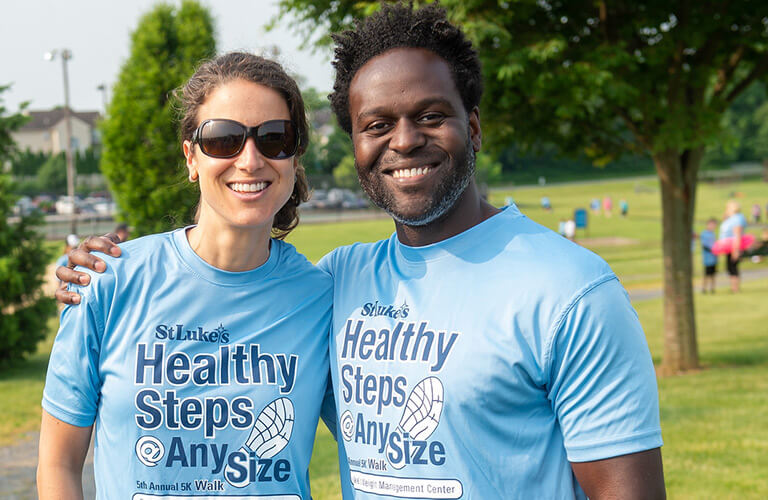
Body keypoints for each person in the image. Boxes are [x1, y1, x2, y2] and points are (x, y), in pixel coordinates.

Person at [56, 4, 665, 499]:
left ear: (473, 127)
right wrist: (87, 273)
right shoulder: (341, 280)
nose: (404, 141)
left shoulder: (570, 291)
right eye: (377, 124)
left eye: (430, 115)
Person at [38, 52, 333, 499]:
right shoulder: (106, 282)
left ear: (294, 158)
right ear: (191, 158)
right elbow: (58, 465)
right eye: (223, 139)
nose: (251, 160)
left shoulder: (323, 299)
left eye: (274, 138)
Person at [719, 200, 748, 293]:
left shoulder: (737, 219)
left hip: (733, 247)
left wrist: (736, 250)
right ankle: (733, 287)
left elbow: (737, 235)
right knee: (731, 267)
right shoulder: (732, 218)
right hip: (729, 247)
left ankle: (735, 288)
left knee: (733, 267)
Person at [699, 218, 718, 293]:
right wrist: (712, 250)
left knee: (713, 274)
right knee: (706, 274)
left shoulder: (713, 234)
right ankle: (704, 288)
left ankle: (712, 288)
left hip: (714, 258)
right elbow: (704, 246)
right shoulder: (704, 234)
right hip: (707, 258)